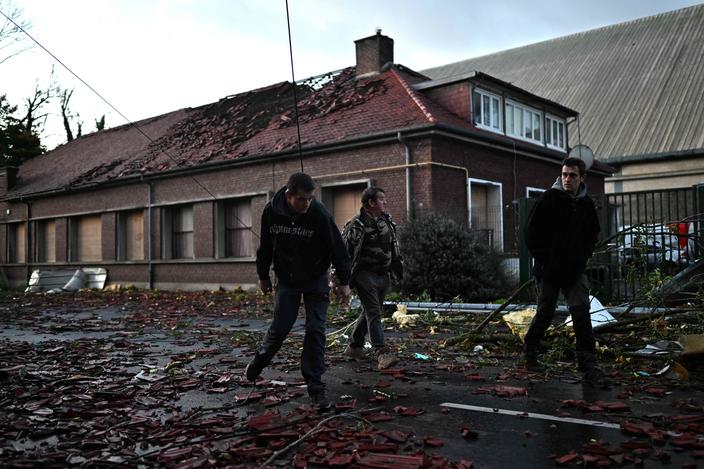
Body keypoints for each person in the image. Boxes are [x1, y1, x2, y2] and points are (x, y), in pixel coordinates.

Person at [246, 173, 351, 410]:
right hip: (287, 280)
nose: (307, 204)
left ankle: (315, 386)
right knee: (280, 329)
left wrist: (344, 280)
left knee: (315, 331)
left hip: (315, 279)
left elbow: (338, 248)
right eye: (302, 199)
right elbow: (265, 247)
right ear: (288, 196)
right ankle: (258, 362)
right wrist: (263, 276)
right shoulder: (270, 212)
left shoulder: (319, 213)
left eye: (310, 198)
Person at [524, 157, 604, 384]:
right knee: (546, 312)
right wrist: (546, 261)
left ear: (582, 178)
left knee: (581, 312)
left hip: (574, 270)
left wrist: (582, 258)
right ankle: (530, 349)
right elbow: (530, 234)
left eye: (573, 175)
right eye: (565, 174)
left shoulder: (586, 204)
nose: (567, 179)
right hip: (548, 270)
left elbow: (592, 235)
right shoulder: (548, 199)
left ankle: (587, 361)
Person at [342, 187, 403, 370]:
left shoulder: (387, 221)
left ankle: (354, 346)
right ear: (371, 203)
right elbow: (344, 254)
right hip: (364, 275)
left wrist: (396, 270)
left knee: (370, 311)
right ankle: (381, 353)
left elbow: (394, 247)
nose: (385, 202)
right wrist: (340, 281)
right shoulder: (356, 224)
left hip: (383, 274)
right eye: (382, 199)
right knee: (374, 312)